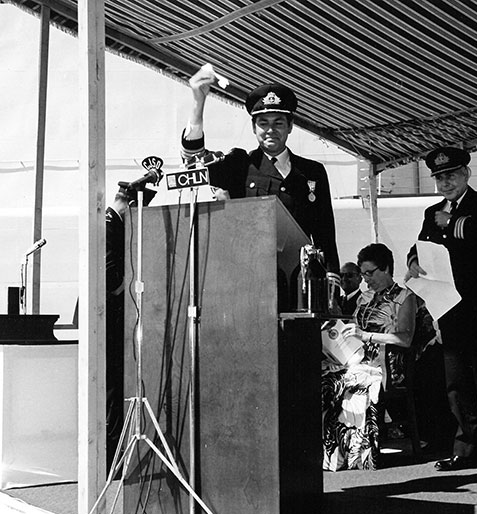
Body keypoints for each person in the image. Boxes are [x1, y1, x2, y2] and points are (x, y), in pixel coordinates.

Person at [406, 147, 477, 477]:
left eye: (451, 175)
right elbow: (420, 246)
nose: (445, 182)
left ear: (466, 174)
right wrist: (413, 262)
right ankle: (465, 448)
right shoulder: (431, 212)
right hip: (450, 308)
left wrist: (449, 223)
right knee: (457, 384)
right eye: (439, 177)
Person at [181, 66, 340, 272]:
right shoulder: (240, 165)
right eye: (263, 123)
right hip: (250, 276)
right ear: (253, 128)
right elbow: (194, 163)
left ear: (290, 126)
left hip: (299, 283)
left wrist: (331, 283)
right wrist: (198, 103)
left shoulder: (312, 172)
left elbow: (325, 235)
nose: (271, 130)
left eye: (278, 123)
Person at [322, 243, 416, 471]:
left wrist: (367, 336)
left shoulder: (404, 298)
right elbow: (354, 328)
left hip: (386, 365)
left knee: (339, 381)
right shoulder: (365, 298)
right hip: (359, 360)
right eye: (363, 274)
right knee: (322, 375)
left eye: (369, 273)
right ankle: (334, 453)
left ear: (385, 269)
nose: (365, 280)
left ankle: (353, 454)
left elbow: (405, 339)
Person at [105, 183, 156, 471]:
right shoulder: (110, 225)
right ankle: (114, 457)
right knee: (113, 391)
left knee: (116, 389)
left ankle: (115, 454)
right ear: (128, 205)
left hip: (117, 320)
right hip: (111, 321)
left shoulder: (115, 224)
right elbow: (113, 282)